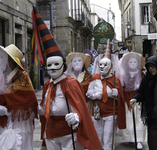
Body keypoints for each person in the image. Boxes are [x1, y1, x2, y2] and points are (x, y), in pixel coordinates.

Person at [32, 5, 102, 150]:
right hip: (51, 131)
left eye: (55, 64)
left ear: (63, 66)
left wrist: (76, 117)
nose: (52, 68)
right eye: (49, 65)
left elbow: (79, 106)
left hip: (68, 132)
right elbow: (45, 107)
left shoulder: (71, 83)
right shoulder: (47, 85)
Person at [0, 41, 38, 150]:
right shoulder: (2, 79)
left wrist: (8, 112)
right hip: (2, 127)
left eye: (2, 58)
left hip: (20, 127)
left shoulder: (23, 77)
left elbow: (30, 107)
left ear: (11, 61)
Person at [86, 39, 126, 150]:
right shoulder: (94, 78)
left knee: (108, 136)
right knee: (98, 135)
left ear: (110, 66)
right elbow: (88, 93)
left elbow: (120, 98)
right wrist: (98, 95)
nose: (102, 67)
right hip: (98, 112)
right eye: (101, 65)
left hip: (111, 112)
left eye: (105, 65)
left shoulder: (115, 80)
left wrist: (116, 94)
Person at [118, 52, 146, 149]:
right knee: (128, 119)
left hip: (138, 100)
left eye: (135, 62)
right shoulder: (124, 75)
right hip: (127, 100)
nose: (133, 64)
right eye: (131, 62)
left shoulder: (142, 74)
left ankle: (139, 139)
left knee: (138, 120)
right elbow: (121, 86)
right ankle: (130, 137)